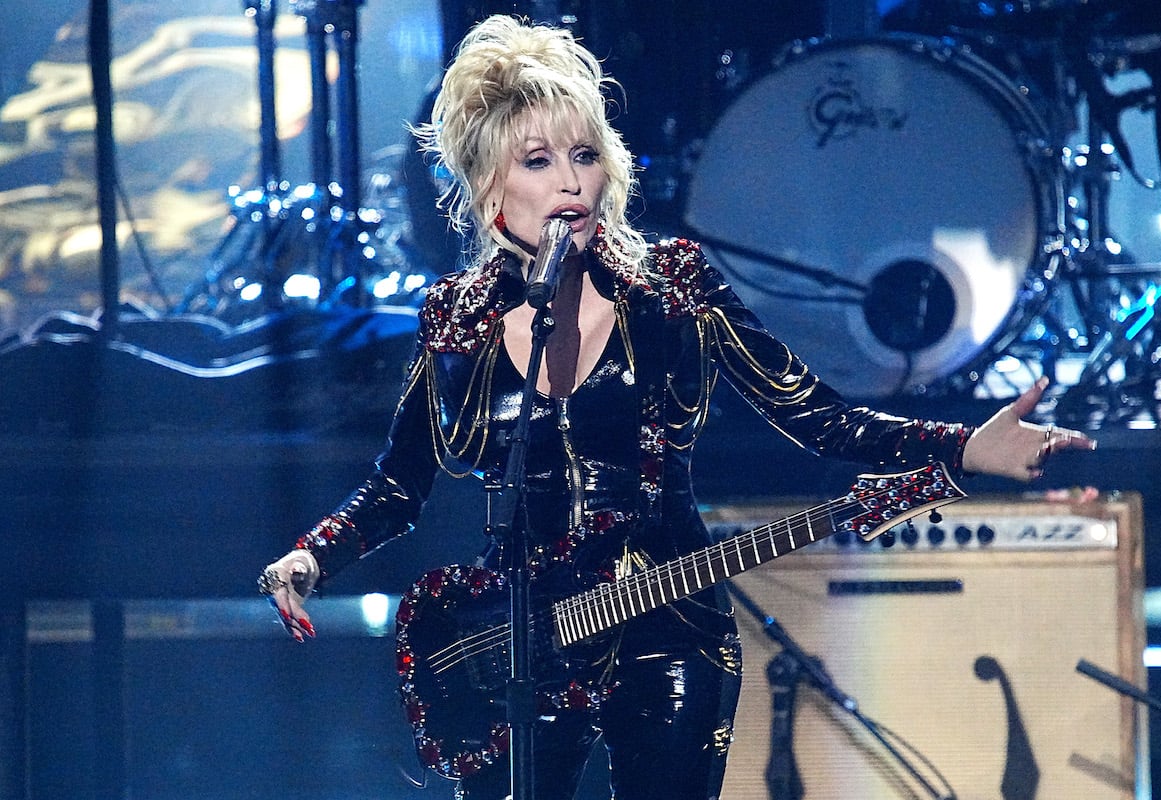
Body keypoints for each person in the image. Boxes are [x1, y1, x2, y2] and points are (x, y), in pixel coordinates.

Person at [258, 15, 1095, 800]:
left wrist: (960, 450)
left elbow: (816, 415)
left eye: (584, 155)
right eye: (537, 161)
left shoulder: (675, 289)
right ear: (489, 192)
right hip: (520, 639)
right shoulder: (456, 319)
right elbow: (402, 484)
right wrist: (312, 558)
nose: (570, 181)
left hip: (671, 627)